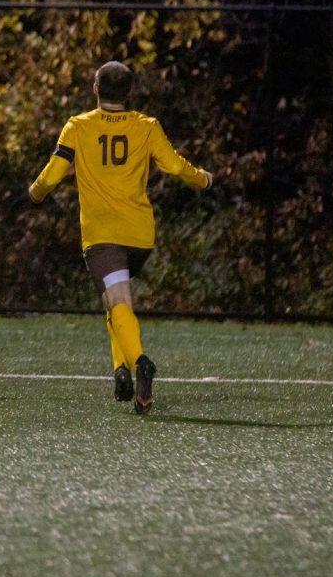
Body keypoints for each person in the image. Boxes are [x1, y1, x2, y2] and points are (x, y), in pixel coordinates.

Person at [28, 61, 215, 413]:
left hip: (103, 234)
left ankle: (140, 362)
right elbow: (175, 166)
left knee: (117, 301)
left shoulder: (78, 126)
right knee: (115, 300)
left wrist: (35, 192)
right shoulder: (146, 125)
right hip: (140, 233)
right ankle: (119, 371)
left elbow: (52, 176)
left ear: (96, 88)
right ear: (129, 92)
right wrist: (203, 178)